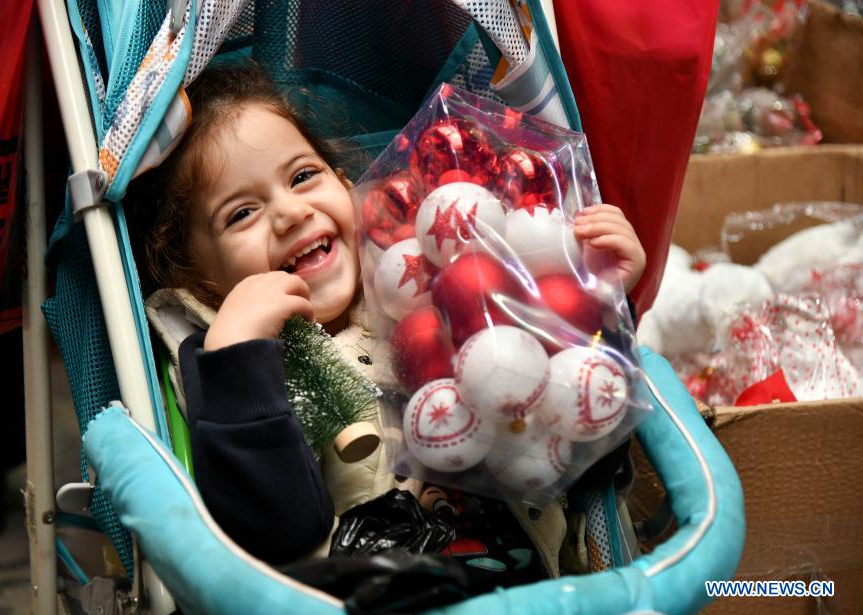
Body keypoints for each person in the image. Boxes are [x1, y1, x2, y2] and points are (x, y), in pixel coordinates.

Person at [130, 62, 646, 584]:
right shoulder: (230, 364)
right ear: (199, 279)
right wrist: (238, 356)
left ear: (347, 185)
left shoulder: (437, 288)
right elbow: (276, 538)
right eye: (240, 214)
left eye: (303, 177)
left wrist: (595, 305)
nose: (289, 213)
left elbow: (586, 464)